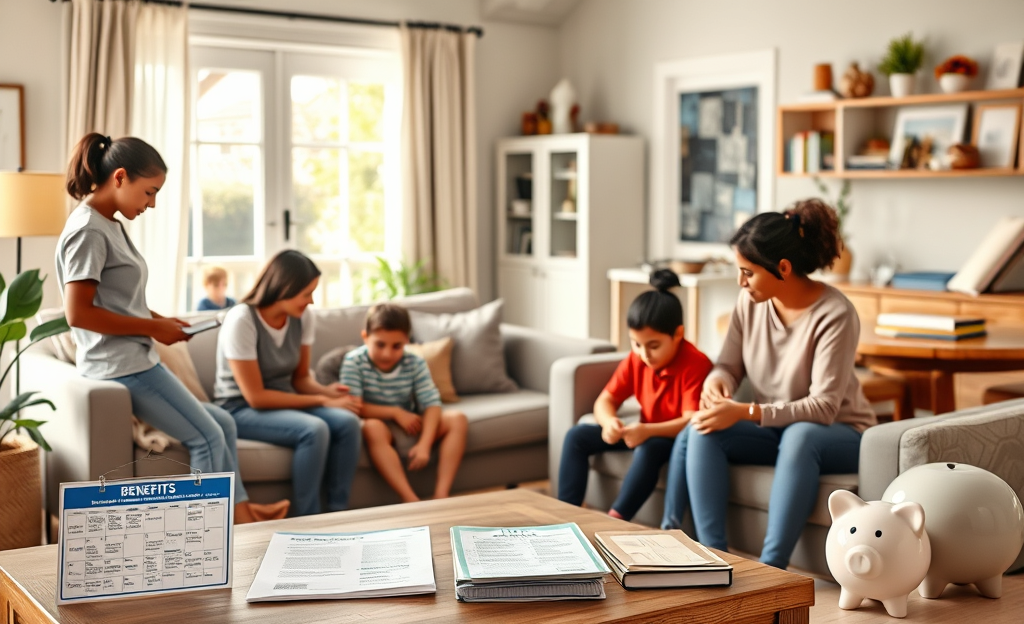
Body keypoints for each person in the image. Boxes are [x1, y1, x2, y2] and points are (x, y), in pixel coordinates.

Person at [57, 132, 288, 524]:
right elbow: (78, 314)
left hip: (136, 357)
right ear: (120, 178)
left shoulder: (108, 222)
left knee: (224, 422)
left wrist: (159, 321)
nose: (152, 204)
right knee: (208, 436)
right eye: (149, 192)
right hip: (120, 365)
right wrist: (151, 329)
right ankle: (204, 533)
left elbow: (115, 298)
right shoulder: (89, 231)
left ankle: (241, 510)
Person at [682, 198, 876, 570]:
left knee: (800, 436)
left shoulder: (835, 314)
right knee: (703, 430)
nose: (740, 282)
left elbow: (823, 407)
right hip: (778, 430)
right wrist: (717, 383)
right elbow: (727, 364)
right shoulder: (749, 302)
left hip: (838, 432)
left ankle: (772, 570)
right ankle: (716, 561)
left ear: (783, 268)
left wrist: (746, 411)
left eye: (747, 272)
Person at [214, 250, 362, 516]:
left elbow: (301, 379)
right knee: (313, 429)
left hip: (285, 399)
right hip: (239, 408)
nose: (312, 301)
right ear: (284, 287)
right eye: (307, 294)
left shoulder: (303, 317)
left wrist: (328, 392)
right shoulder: (242, 319)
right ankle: (307, 519)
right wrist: (322, 399)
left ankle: (340, 513)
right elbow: (256, 397)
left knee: (348, 422)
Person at [557, 269, 712, 521]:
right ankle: (565, 514)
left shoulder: (696, 364)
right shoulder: (637, 359)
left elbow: (690, 421)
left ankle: (615, 519)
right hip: (643, 431)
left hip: (673, 440)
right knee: (577, 435)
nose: (644, 354)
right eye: (636, 344)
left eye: (653, 346)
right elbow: (606, 400)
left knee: (649, 447)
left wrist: (647, 431)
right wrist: (609, 423)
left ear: (678, 334)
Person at [341, 303, 468, 502]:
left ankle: (441, 496)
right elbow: (355, 406)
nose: (387, 354)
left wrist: (425, 445)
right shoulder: (353, 362)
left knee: (457, 419)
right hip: (381, 427)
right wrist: (394, 413)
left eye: (397, 346)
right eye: (380, 345)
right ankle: (411, 500)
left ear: (407, 342)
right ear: (365, 337)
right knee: (372, 427)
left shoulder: (415, 363)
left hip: (411, 425)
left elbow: (432, 403)